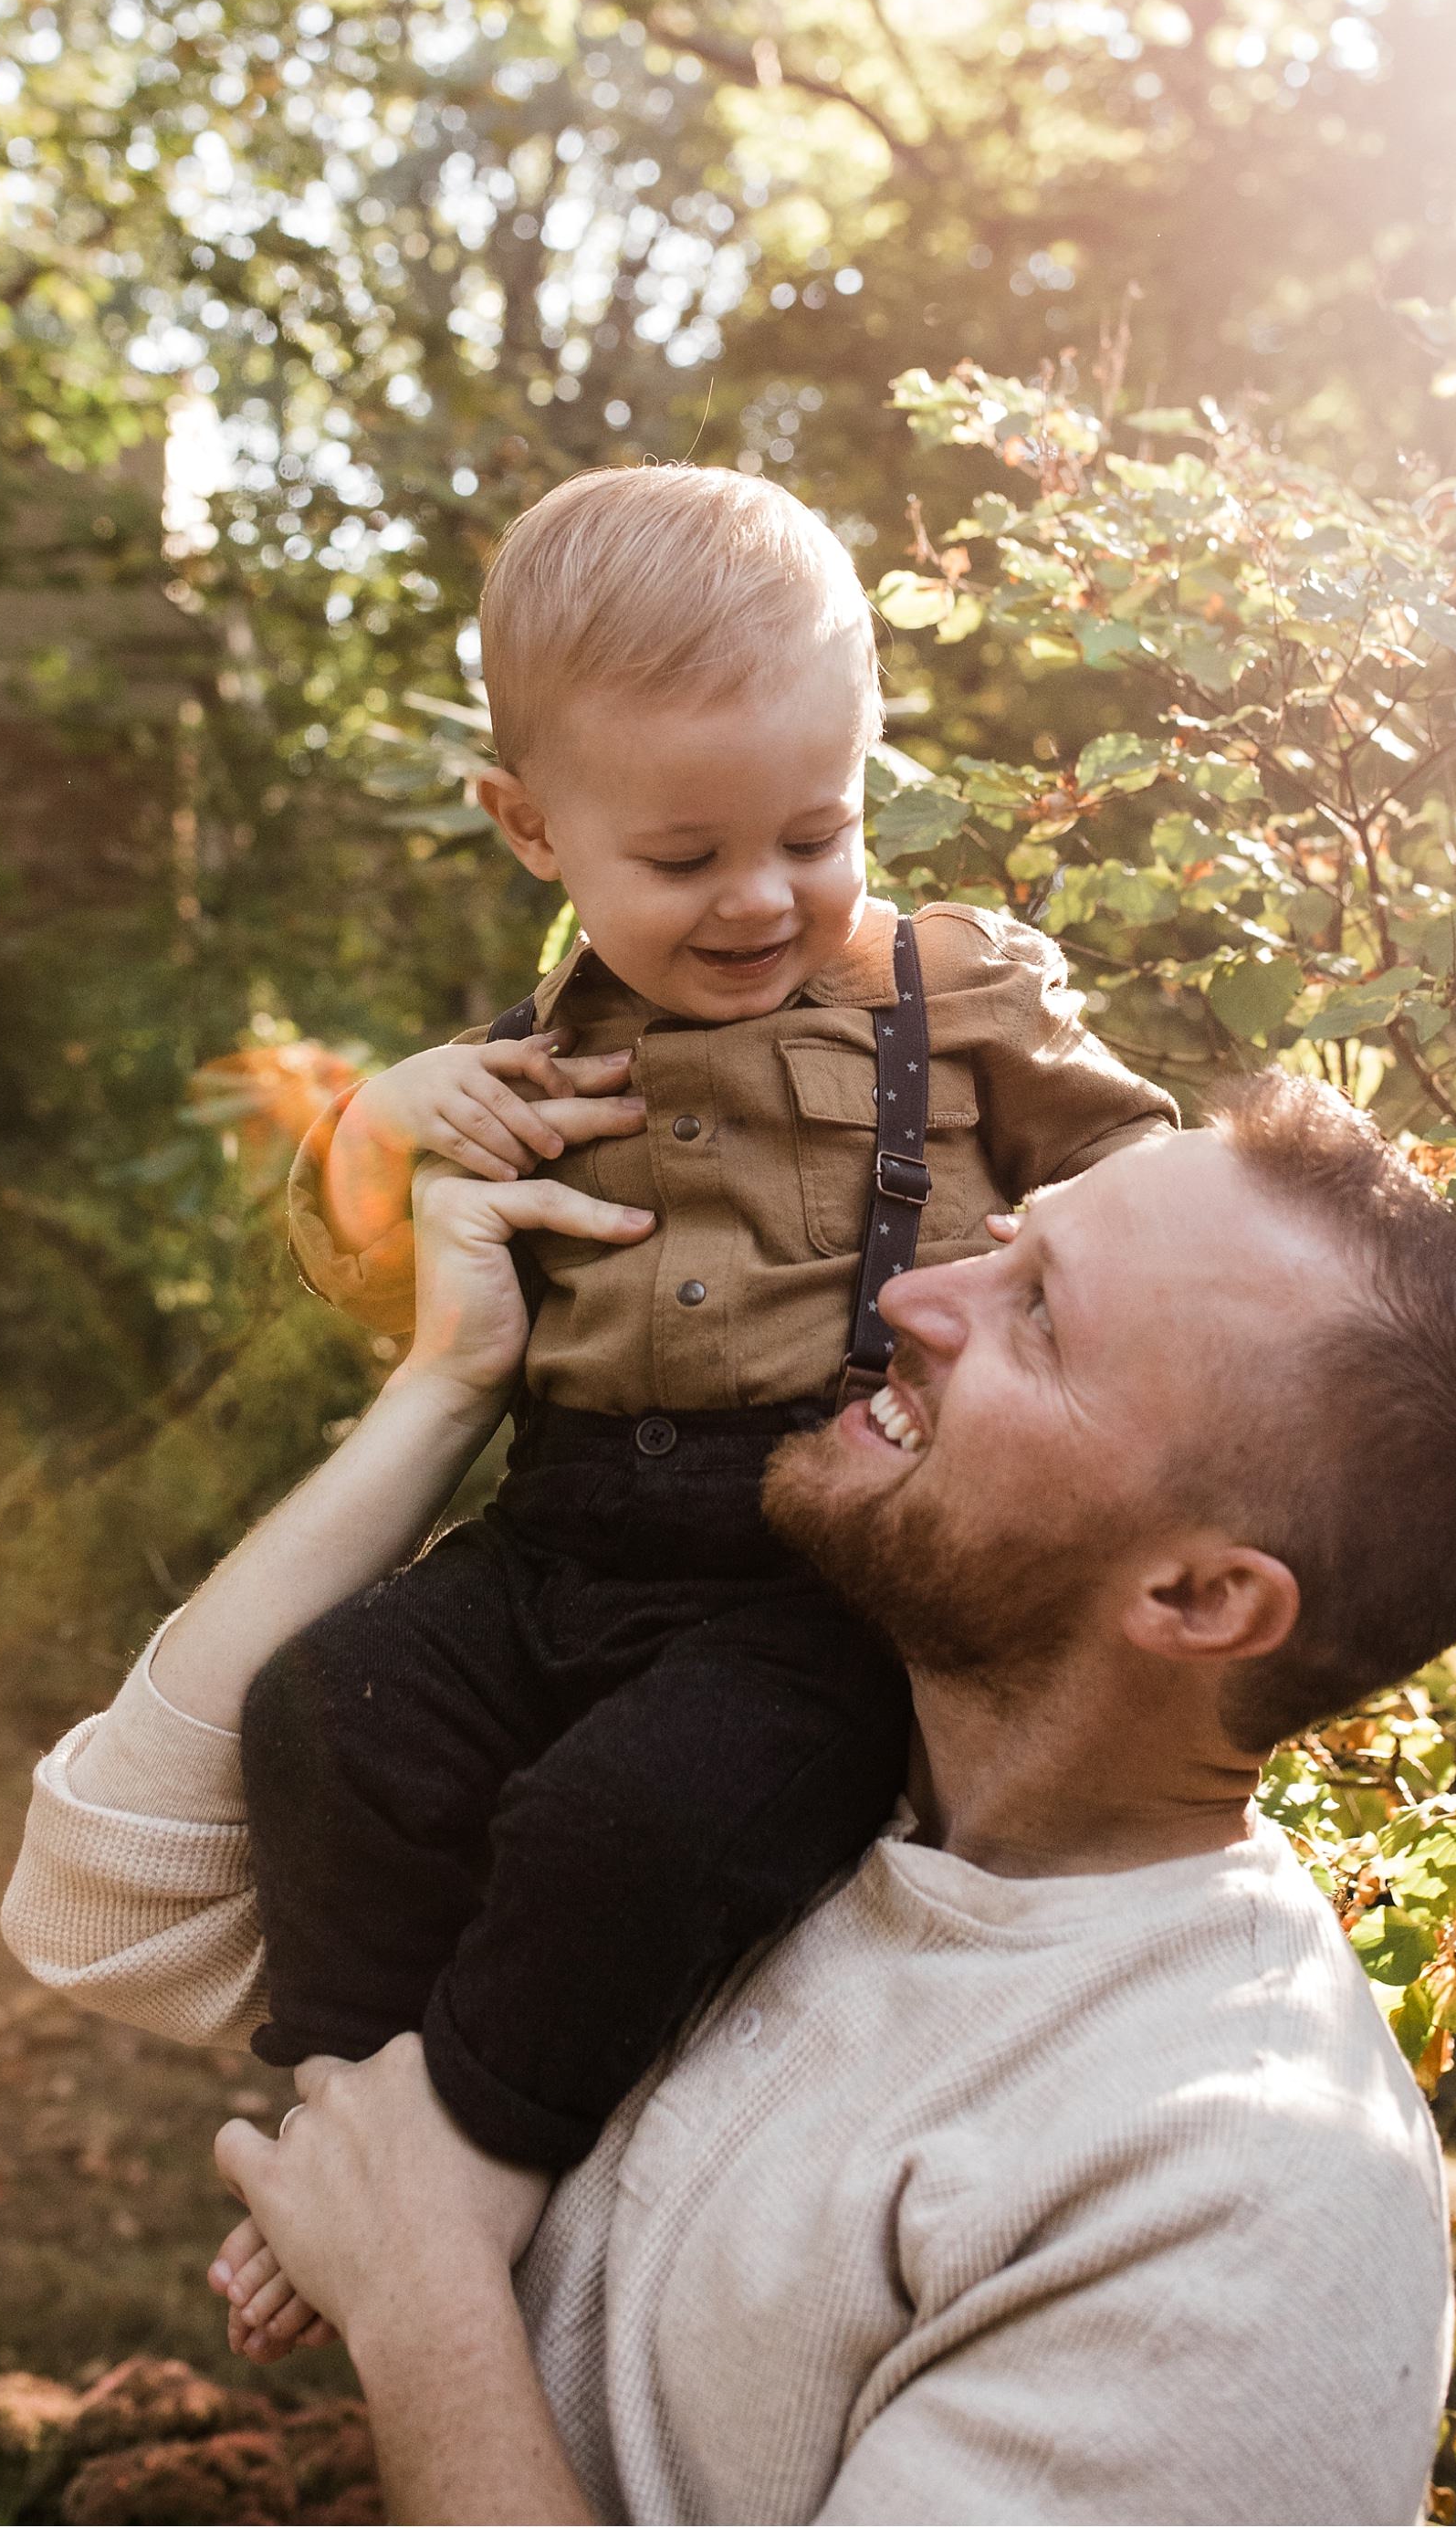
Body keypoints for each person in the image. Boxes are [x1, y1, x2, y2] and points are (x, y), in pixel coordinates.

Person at [3, 1071, 1456, 2525]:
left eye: (1036, 1319)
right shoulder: (743, 1778)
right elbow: (110, 1903)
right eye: (1006, 1235)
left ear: (1204, 1595)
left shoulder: (1239, 2195)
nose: (904, 1294)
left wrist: (420, 2291)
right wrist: (448, 1386)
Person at [237, 459, 1177, 2238]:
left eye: (813, 836)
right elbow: (389, 1296)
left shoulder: (948, 985)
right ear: (531, 826)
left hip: (820, 1561)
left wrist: (1087, 1290)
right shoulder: (516, 1058)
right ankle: (352, 2105)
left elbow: (1144, 1173)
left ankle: (467, 2159)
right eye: (683, 857)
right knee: (328, 1706)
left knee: (631, 1822)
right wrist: (372, 1134)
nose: (759, 896)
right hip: (560, 1536)